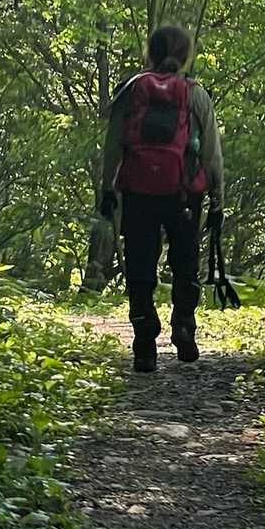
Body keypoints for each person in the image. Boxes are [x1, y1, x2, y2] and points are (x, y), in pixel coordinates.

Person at [99, 24, 224, 372]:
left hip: (137, 191)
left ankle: (144, 342)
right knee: (185, 262)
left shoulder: (131, 90)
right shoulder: (195, 94)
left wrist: (107, 189)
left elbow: (113, 145)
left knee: (140, 264)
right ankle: (183, 324)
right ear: (185, 56)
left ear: (149, 53)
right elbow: (212, 153)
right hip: (184, 193)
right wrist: (217, 199)